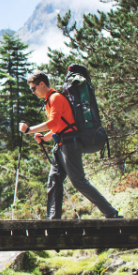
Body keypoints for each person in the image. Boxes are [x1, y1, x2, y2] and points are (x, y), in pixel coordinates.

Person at [19, 72, 120, 220]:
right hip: (61, 144)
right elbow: (59, 126)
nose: (33, 92)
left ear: (42, 84)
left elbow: (53, 122)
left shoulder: (56, 98)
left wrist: (29, 130)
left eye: (33, 88)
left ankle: (111, 213)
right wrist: (45, 138)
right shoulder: (50, 100)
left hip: (69, 144)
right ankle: (53, 220)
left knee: (78, 181)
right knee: (54, 179)